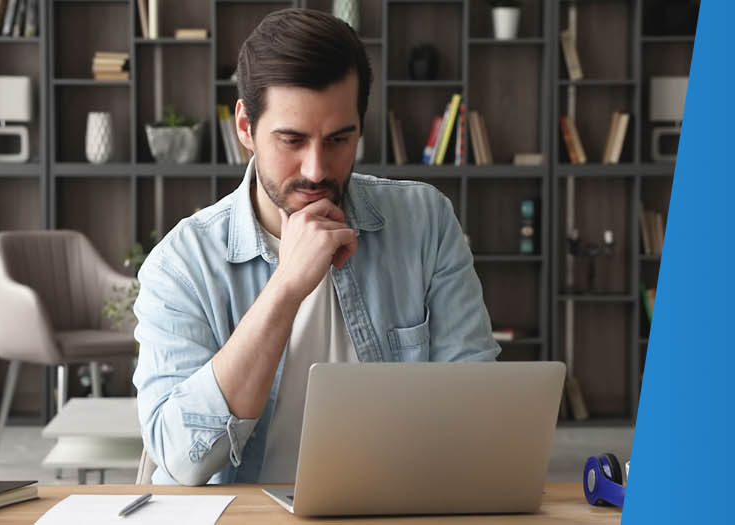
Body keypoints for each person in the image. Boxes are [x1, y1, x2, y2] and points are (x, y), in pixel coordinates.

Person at [132, 8, 499, 486]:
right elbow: (183, 459)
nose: (316, 169)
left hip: (391, 510)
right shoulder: (182, 264)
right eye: (292, 139)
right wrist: (285, 287)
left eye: (338, 139)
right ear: (246, 128)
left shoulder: (425, 222)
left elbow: (479, 413)